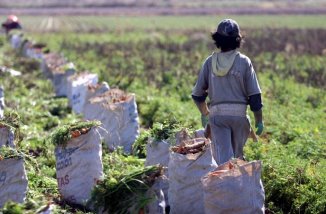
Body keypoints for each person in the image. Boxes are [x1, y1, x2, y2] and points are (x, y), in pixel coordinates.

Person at [192, 18, 264, 164]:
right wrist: (259, 121)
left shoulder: (209, 62)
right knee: (237, 158)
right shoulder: (244, 62)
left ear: (217, 39)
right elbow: (255, 97)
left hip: (218, 118)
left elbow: (198, 95)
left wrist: (205, 113)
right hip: (240, 118)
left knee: (223, 160)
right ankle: (239, 183)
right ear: (237, 40)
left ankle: (225, 184)